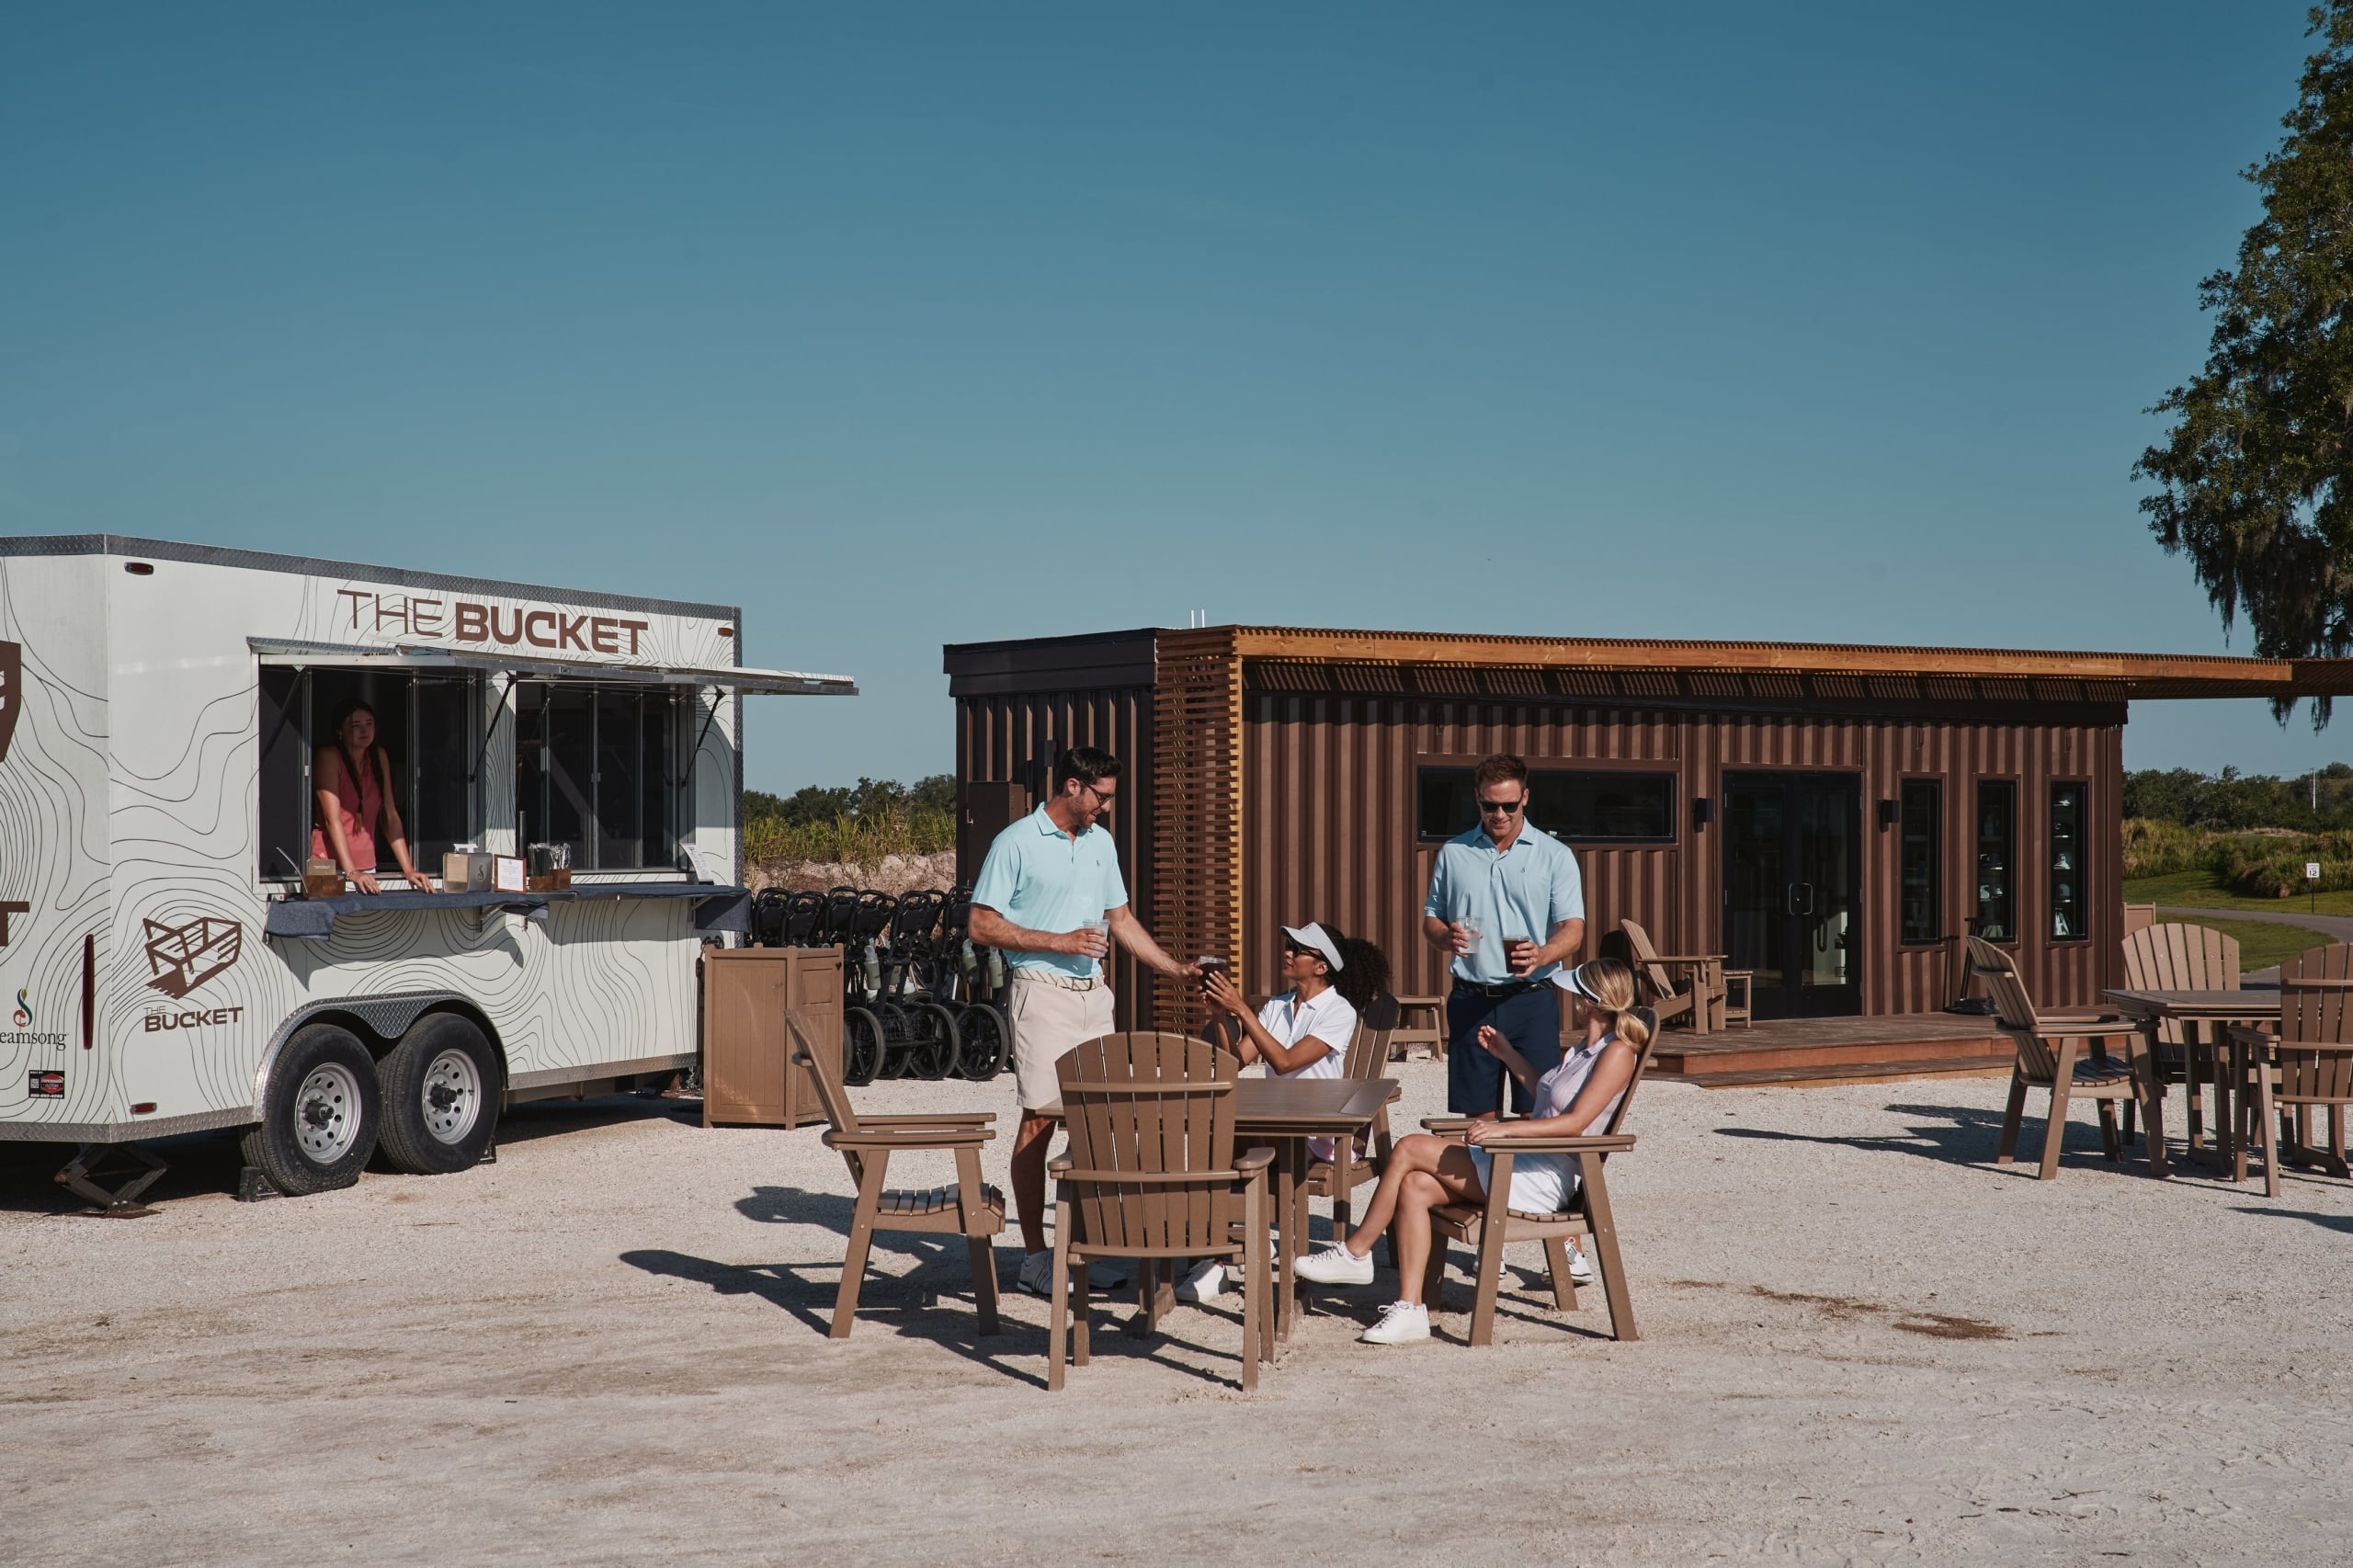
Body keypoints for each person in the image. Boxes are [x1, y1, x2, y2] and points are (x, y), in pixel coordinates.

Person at [1293, 958, 1646, 1344]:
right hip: (1524, 1162)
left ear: (1589, 1001)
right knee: (1413, 1184)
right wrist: (1507, 1054)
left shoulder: (1617, 1052)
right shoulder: (1582, 1049)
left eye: (1575, 991)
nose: (1569, 996)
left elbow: (1575, 1123)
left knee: (1411, 1146)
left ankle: (1357, 1252)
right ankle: (1410, 1310)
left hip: (1543, 1176)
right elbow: (1549, 1097)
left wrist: (1506, 1130)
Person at [968, 745, 1198, 1297]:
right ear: (1073, 786)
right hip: (1040, 995)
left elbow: (1120, 919)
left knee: (1104, 1123)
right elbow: (979, 924)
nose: (1107, 809)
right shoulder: (1015, 842)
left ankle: (1087, 1248)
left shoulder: (1101, 842)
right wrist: (1059, 941)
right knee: (1040, 1120)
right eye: (1103, 797)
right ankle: (1034, 1258)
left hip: (1096, 996)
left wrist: (1174, 969)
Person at [1183, 919, 1392, 1301]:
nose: (1288, 952)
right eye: (1289, 946)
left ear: (1321, 966)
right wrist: (1219, 1015)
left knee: (1232, 1139)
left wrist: (1241, 1009)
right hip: (1275, 1125)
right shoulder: (1277, 1006)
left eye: (1298, 949)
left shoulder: (1338, 1011)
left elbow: (1283, 1062)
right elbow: (1234, 1063)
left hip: (1321, 1131)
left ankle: (1234, 1249)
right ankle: (1221, 1255)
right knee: (1214, 1135)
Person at [1423, 753, 1585, 1114]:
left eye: (1509, 805)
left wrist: (1542, 955)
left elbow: (1573, 930)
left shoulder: (1555, 855)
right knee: (1478, 1119)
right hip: (1470, 1000)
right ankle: (1484, 1174)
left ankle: (1533, 1174)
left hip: (1530, 1001)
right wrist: (1443, 937)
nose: (1499, 815)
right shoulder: (1454, 852)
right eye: (1490, 805)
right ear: (1477, 798)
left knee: (1537, 1110)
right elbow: (1431, 918)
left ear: (1525, 797)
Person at [312, 698, 435, 895]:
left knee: (365, 923)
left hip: (366, 866)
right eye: (356, 725)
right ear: (340, 730)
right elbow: (331, 819)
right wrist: (352, 872)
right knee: (328, 920)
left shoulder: (378, 756)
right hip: (328, 864)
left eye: (369, 724)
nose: (364, 731)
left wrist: (409, 870)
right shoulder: (329, 757)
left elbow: (390, 815)